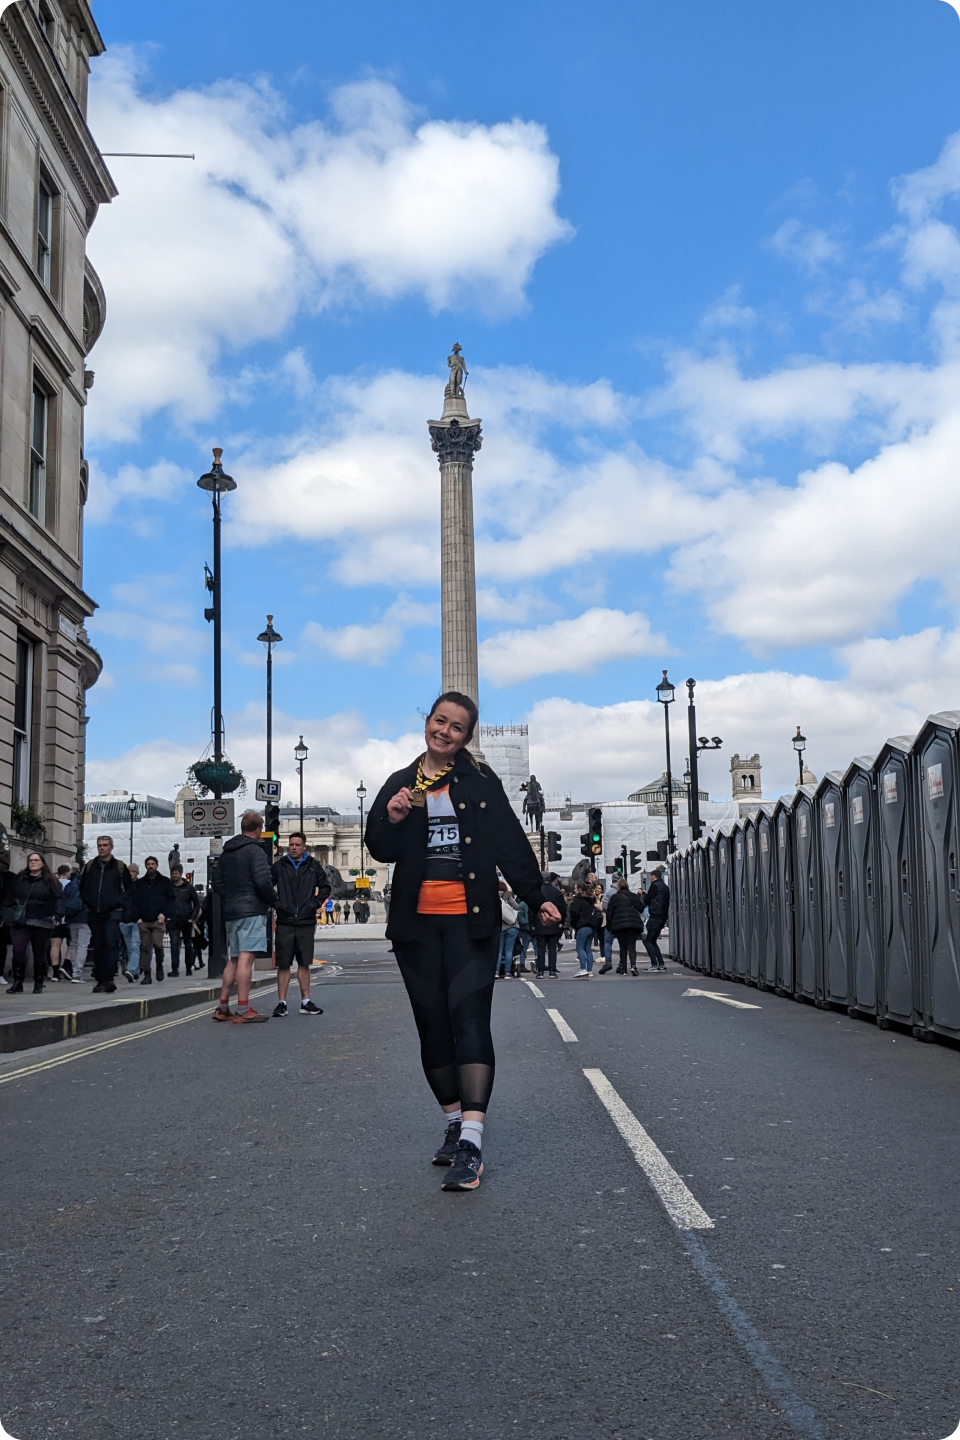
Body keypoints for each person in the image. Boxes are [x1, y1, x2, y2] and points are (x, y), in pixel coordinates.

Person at [365, 690, 561, 1193]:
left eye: (456, 727)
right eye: (439, 721)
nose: (445, 731)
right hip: (415, 925)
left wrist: (537, 895)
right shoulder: (400, 782)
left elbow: (511, 844)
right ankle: (453, 1120)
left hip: (471, 922)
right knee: (432, 1026)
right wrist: (391, 817)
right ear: (426, 722)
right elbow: (380, 849)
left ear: (466, 737)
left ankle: (472, 1140)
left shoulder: (480, 781)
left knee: (469, 1019)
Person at [211, 810, 275, 1023]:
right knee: (246, 959)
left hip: (231, 911)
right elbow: (263, 882)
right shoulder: (255, 851)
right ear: (259, 829)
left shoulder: (227, 853)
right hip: (251, 910)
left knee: (234, 959)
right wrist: (274, 901)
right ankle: (243, 1008)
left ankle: (222, 1006)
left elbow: (217, 883)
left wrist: (231, 898)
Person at [270, 831, 328, 1017]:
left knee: (304, 963)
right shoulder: (279, 866)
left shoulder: (313, 866)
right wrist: (277, 904)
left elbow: (326, 886)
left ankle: (305, 1001)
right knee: (284, 964)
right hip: (285, 921)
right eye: (291, 844)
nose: (294, 848)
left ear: (304, 847)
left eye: (297, 844)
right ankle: (282, 1003)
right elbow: (266, 887)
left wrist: (316, 903)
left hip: (305, 921)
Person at [79, 836, 132, 992]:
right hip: (94, 911)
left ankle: (109, 978)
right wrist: (88, 901)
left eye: (105, 845)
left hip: (113, 912)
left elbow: (129, 890)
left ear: (111, 847)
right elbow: (83, 887)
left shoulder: (119, 867)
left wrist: (118, 903)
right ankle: (101, 979)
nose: (102, 848)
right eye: (99, 845)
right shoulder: (90, 866)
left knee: (110, 943)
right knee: (98, 945)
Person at [7, 852, 62, 993]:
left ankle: (38, 982)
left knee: (40, 952)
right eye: (31, 860)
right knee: (18, 950)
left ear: (42, 863)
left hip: (42, 920)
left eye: (36, 860)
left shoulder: (51, 882)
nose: (33, 863)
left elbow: (59, 899)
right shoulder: (20, 879)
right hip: (21, 920)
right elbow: (10, 896)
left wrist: (57, 915)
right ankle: (18, 982)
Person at [135, 857, 176, 984]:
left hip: (158, 919)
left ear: (157, 865)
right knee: (145, 947)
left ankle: (159, 965)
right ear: (145, 866)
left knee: (158, 945)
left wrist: (164, 914)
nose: (150, 866)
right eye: (148, 864)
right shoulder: (140, 883)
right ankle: (147, 974)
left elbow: (171, 899)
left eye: (153, 864)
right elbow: (133, 901)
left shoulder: (165, 882)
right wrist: (137, 917)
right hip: (144, 920)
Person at [603, 877, 646, 975]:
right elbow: (641, 908)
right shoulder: (633, 896)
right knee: (631, 946)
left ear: (618, 887)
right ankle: (633, 966)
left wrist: (609, 926)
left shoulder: (614, 897)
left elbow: (609, 913)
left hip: (619, 925)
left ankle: (623, 969)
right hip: (633, 924)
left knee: (622, 947)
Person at [167, 864, 201, 976]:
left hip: (186, 919)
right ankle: (175, 969)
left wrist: (192, 918)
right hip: (173, 919)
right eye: (172, 874)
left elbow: (196, 904)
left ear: (180, 874)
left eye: (176, 873)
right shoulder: (169, 887)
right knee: (174, 944)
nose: (174, 876)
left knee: (188, 945)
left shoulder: (189, 887)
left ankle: (188, 968)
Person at [534, 873, 566, 978]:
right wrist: (561, 922)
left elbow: (532, 909)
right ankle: (552, 971)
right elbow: (562, 908)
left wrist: (532, 923)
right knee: (553, 948)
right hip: (554, 923)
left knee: (541, 948)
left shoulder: (537, 892)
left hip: (540, 922)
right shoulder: (556, 892)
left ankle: (540, 971)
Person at [62, 867, 89, 983]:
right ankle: (77, 973)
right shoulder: (89, 885)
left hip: (72, 918)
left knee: (73, 944)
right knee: (82, 946)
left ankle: (73, 970)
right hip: (85, 918)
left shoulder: (70, 885)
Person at [568, 881, 600, 978]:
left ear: (579, 890)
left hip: (582, 926)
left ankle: (583, 969)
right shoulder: (591, 900)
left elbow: (574, 913)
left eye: (575, 888)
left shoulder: (578, 900)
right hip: (591, 926)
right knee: (588, 949)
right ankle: (589, 970)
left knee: (580, 948)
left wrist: (574, 924)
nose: (574, 890)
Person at [47, 865, 73, 981]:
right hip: (69, 918)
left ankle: (55, 972)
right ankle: (66, 965)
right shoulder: (71, 885)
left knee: (55, 945)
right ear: (68, 872)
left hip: (55, 918)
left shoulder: (53, 885)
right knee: (72, 944)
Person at [643, 867, 670, 972]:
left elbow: (647, 900)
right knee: (653, 940)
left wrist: (644, 896)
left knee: (647, 939)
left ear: (653, 877)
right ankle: (661, 964)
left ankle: (654, 964)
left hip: (655, 915)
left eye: (651, 877)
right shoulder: (665, 887)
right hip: (663, 916)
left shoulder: (654, 886)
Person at [119, 863, 141, 980]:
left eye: (133, 871)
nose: (130, 874)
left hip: (137, 920)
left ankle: (131, 970)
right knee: (129, 948)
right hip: (124, 920)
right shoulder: (122, 887)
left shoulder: (140, 885)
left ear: (137, 873)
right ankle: (135, 970)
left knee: (135, 946)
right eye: (129, 871)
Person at [496, 882, 519, 979]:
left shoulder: (492, 896)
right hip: (512, 926)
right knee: (509, 950)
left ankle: (496, 972)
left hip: (499, 927)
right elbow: (517, 907)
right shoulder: (507, 895)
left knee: (499, 951)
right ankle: (507, 973)